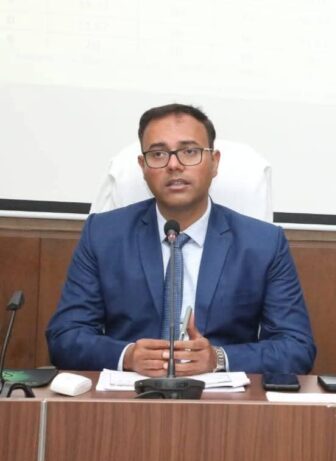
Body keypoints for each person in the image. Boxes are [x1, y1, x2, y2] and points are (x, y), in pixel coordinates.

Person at [46, 104, 316, 376]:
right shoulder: (103, 235)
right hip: (129, 394)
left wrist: (218, 358)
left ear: (214, 162)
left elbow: (296, 347)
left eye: (189, 151)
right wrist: (127, 356)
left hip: (222, 397)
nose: (174, 165)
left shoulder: (263, 243)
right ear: (143, 166)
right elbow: (65, 336)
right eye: (158, 154)